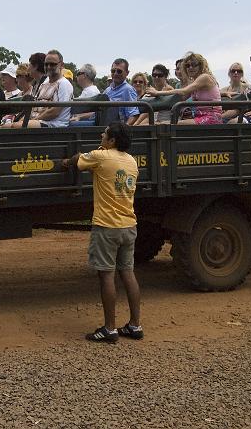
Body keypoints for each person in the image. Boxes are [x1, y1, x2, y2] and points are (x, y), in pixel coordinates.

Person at [61, 122, 142, 343]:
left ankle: (109, 328)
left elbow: (78, 159)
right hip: (128, 225)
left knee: (106, 274)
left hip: (107, 227)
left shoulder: (101, 156)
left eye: (104, 133)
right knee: (128, 272)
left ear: (112, 140)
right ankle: (135, 325)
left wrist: (66, 162)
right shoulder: (132, 161)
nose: (101, 135)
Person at [8, 50, 73, 128]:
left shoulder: (63, 84)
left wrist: (33, 119)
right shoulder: (44, 84)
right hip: (39, 121)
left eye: (52, 64)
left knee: (14, 126)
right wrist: (22, 120)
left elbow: (55, 112)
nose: (48, 67)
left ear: (61, 65)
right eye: (46, 64)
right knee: (4, 126)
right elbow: (34, 107)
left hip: (53, 125)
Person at [172, 52, 222, 125]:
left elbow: (184, 91)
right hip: (199, 116)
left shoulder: (205, 77)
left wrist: (157, 92)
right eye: (187, 65)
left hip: (211, 117)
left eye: (194, 65)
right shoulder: (194, 81)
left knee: (173, 124)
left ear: (200, 66)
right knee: (167, 123)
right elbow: (183, 97)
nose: (190, 67)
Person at [102, 58, 140, 125]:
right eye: (113, 71)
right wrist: (80, 116)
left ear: (127, 73)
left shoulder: (128, 90)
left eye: (119, 71)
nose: (115, 74)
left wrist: (122, 130)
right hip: (101, 122)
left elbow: (134, 115)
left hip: (113, 128)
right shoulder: (108, 90)